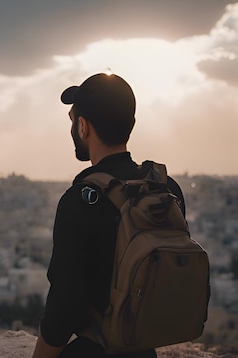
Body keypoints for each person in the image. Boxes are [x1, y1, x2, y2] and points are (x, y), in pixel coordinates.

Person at [31, 73, 186, 358]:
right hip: (144, 350)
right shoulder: (166, 189)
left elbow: (63, 306)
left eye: (71, 121)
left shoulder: (81, 200)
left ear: (82, 126)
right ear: (132, 124)